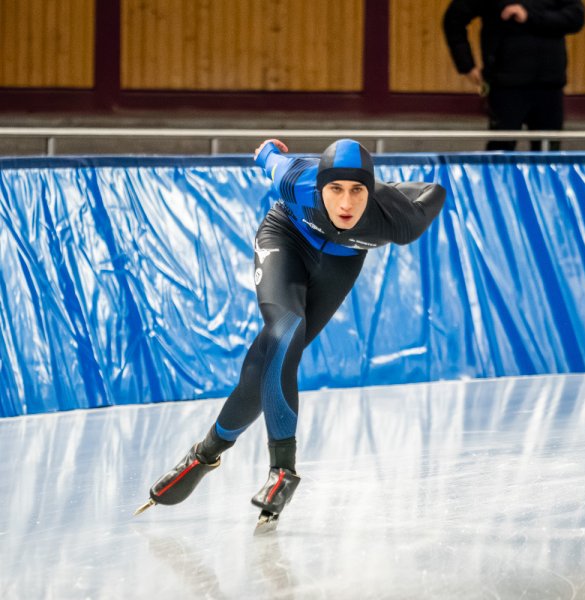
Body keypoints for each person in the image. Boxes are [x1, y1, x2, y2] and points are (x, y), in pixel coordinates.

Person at [135, 138, 446, 528]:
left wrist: (390, 191)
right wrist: (268, 148)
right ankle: (282, 470)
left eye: (357, 190)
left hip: (341, 263)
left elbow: (435, 192)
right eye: (335, 189)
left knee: (268, 362)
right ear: (320, 186)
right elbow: (268, 155)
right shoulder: (297, 180)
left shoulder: (399, 221)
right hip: (286, 237)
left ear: (370, 190)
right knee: (285, 331)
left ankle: (204, 453)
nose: (346, 203)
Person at [443, 0, 585, 150]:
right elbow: (454, 19)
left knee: (548, 151)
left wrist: (530, 16)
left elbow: (576, 17)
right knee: (500, 150)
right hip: (506, 85)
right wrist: (466, 65)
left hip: (549, 84)